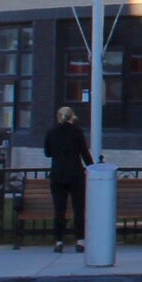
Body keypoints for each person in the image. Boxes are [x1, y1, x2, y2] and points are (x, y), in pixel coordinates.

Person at [43, 106, 93, 253]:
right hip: (75, 174)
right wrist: (92, 167)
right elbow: (84, 152)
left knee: (59, 210)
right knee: (79, 209)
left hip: (58, 174)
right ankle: (80, 241)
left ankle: (58, 241)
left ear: (58, 117)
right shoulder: (76, 132)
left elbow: (47, 153)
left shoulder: (51, 132)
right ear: (72, 117)